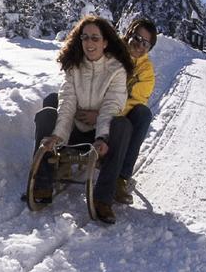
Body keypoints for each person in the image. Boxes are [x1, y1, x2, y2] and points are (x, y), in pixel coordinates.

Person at [32, 15, 134, 224]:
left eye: (95, 38)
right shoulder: (74, 67)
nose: (89, 43)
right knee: (46, 114)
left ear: (105, 42)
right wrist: (57, 135)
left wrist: (103, 137)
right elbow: (67, 103)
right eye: (85, 37)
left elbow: (110, 107)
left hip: (99, 134)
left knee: (122, 125)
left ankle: (102, 198)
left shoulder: (116, 70)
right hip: (75, 130)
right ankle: (42, 183)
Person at [114, 18, 158, 204]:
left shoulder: (146, 71)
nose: (139, 45)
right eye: (137, 38)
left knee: (142, 113)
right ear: (129, 33)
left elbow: (135, 101)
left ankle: (121, 177)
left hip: (118, 116)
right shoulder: (112, 51)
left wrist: (110, 114)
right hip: (93, 105)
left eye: (145, 43)